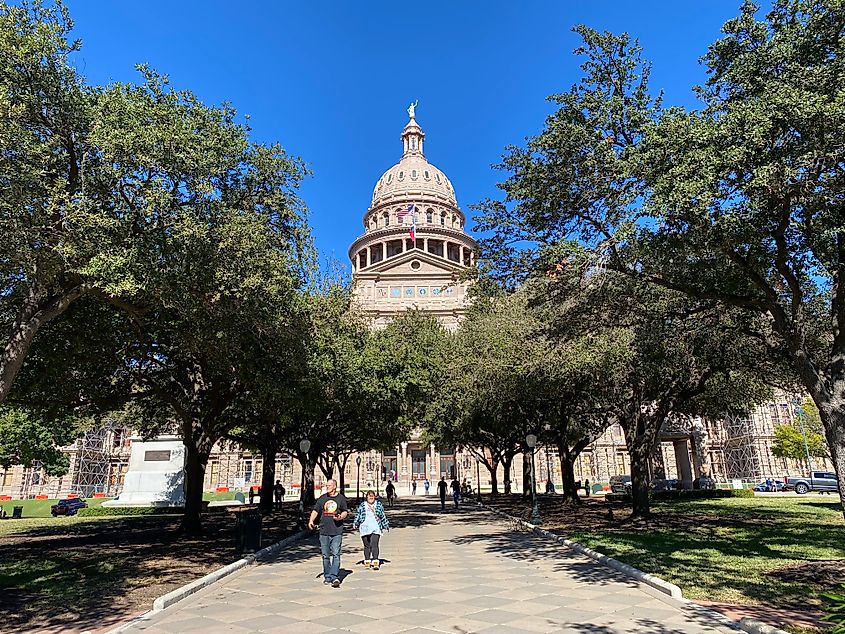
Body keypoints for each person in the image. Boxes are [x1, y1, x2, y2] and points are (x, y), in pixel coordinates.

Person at [308, 479, 349, 588]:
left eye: (329, 485)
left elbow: (345, 511)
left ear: (335, 486)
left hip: (336, 531)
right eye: (327, 485)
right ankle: (327, 576)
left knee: (336, 554)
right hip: (324, 531)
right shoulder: (322, 498)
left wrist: (340, 517)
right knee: (325, 555)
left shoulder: (340, 498)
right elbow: (315, 510)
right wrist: (311, 520)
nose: (327, 487)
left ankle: (334, 576)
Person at [352, 490, 390, 570]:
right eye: (369, 496)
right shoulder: (363, 505)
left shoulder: (378, 505)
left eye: (372, 496)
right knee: (367, 546)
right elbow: (358, 515)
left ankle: (375, 561)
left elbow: (382, 515)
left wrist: (386, 524)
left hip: (376, 527)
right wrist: (355, 523)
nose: (371, 497)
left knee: (374, 544)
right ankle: (367, 561)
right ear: (367, 497)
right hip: (364, 528)